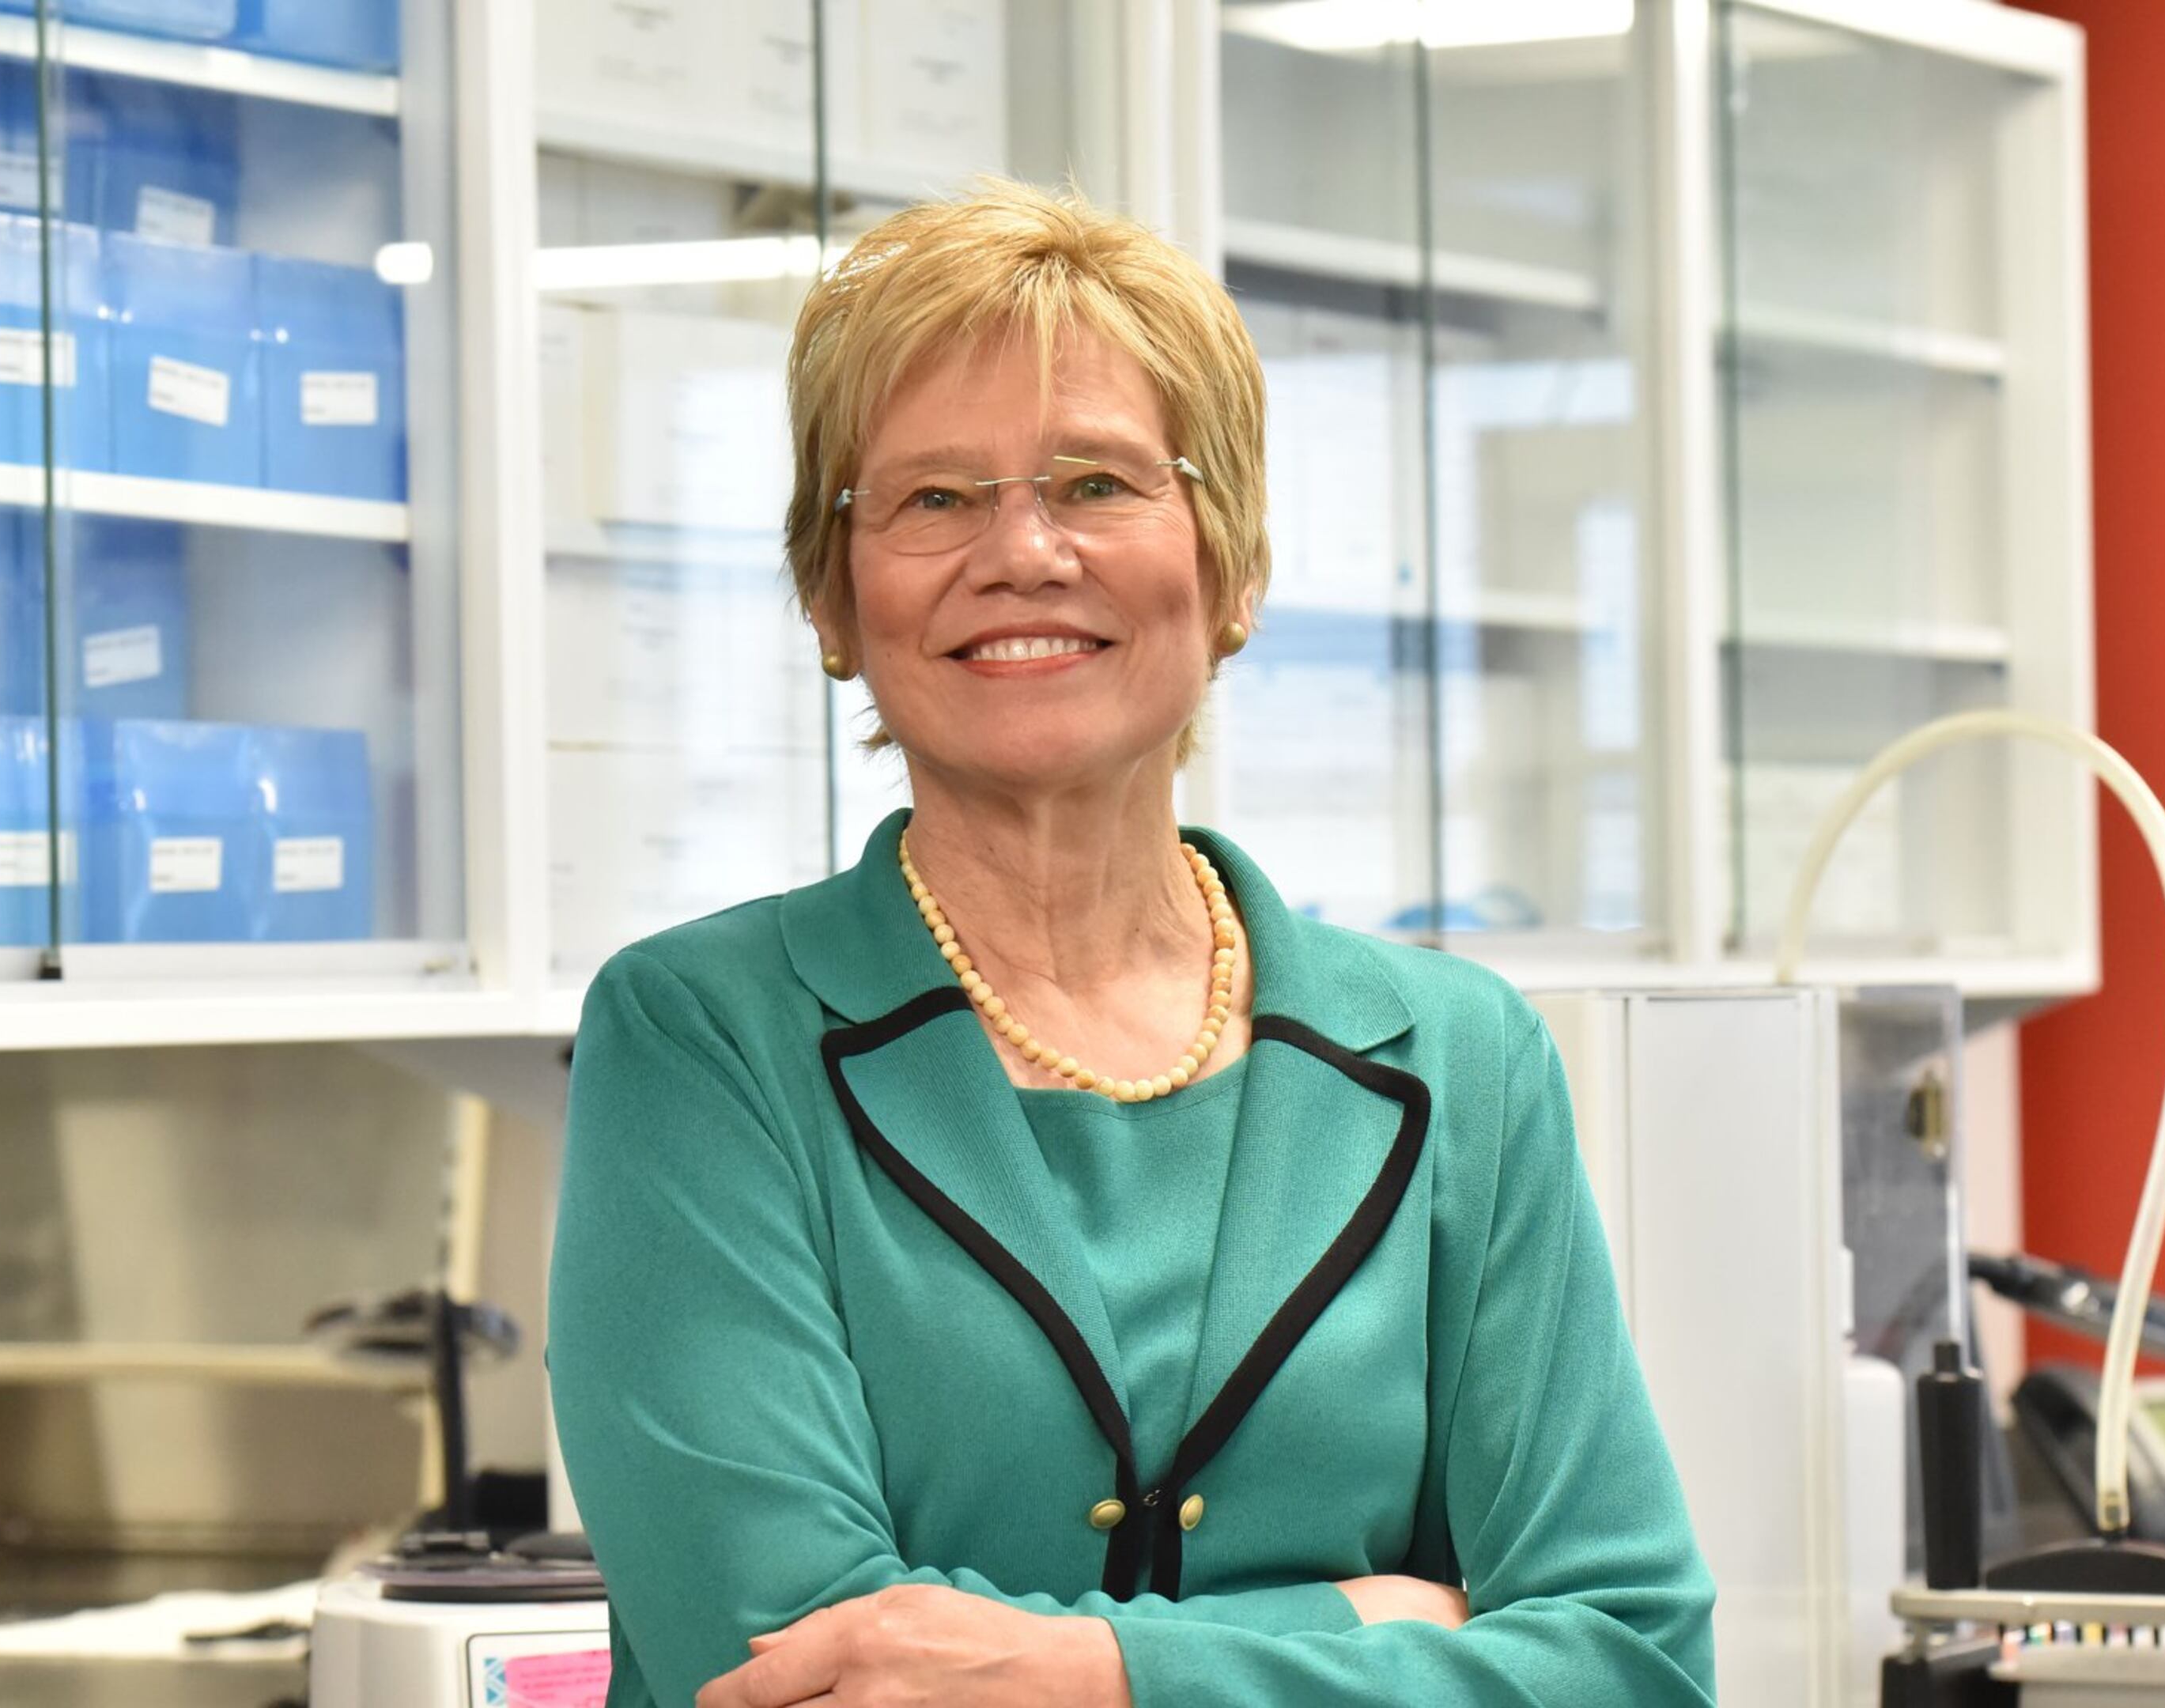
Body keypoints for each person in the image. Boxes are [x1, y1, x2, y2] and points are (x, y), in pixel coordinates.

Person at [548, 179, 1717, 1708]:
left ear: (1227, 567)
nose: (1021, 552)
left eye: (1096, 484)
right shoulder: (705, 1039)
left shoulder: (1458, 1062)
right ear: (835, 598)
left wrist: (1099, 1675)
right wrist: (1377, 1623)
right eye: (933, 498)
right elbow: (795, 1671)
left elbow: (1631, 1658)